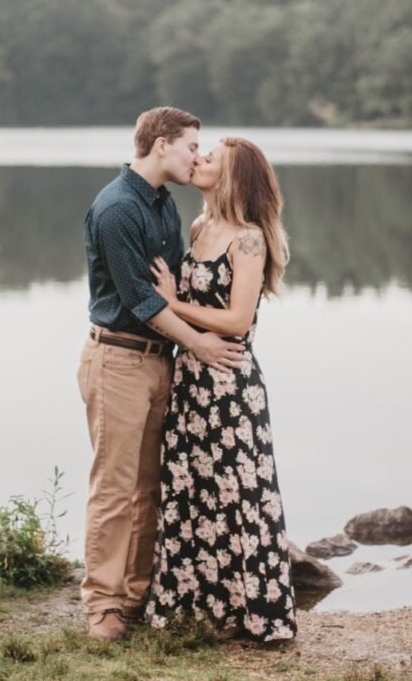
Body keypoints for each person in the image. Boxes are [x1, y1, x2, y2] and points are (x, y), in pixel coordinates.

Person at [79, 107, 248, 642]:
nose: (197, 157)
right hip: (120, 358)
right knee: (114, 487)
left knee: (150, 487)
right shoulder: (116, 209)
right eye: (191, 146)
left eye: (201, 149)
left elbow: (178, 285)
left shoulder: (163, 206)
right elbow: (143, 299)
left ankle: (136, 593)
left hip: (161, 361)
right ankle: (101, 605)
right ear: (160, 145)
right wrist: (202, 344)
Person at [145, 136, 297, 642]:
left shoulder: (247, 238)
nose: (199, 160)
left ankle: (254, 612)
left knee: (236, 495)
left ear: (232, 177)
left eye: (211, 159)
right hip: (190, 381)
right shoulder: (199, 226)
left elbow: (236, 319)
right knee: (192, 491)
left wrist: (171, 304)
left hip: (231, 386)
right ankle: (199, 608)